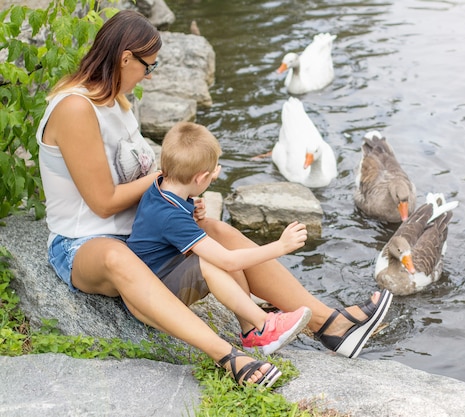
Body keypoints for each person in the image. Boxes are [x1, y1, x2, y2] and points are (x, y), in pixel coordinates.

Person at [36, 9, 393, 388]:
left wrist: (178, 200)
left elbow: (140, 182)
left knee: (214, 228)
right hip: (84, 244)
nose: (148, 75)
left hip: (137, 232)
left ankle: (329, 324)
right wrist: (164, 179)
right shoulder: (76, 108)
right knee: (116, 256)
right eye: (148, 67)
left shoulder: (117, 102)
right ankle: (227, 356)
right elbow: (104, 202)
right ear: (126, 58)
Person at [126, 121, 311, 358]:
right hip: (154, 297)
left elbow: (168, 224)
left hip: (157, 276)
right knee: (212, 262)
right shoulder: (171, 216)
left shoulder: (162, 188)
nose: (214, 176)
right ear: (200, 177)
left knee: (214, 248)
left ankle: (250, 332)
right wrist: (280, 246)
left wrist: (192, 209)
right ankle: (264, 323)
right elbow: (229, 261)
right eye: (212, 175)